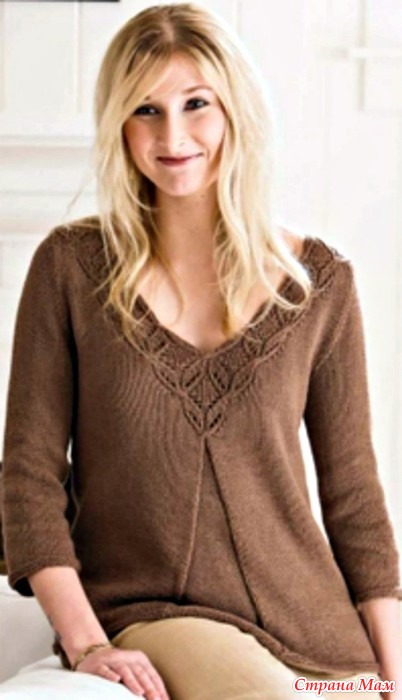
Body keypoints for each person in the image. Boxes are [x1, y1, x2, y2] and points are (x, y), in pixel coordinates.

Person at [1, 3, 401, 700]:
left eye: (196, 104)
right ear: (119, 124)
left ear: (234, 109)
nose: (173, 136)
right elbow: (28, 477)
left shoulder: (320, 284)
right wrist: (87, 641)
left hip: (318, 634)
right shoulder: (70, 269)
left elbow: (354, 497)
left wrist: (392, 675)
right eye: (145, 110)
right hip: (156, 614)